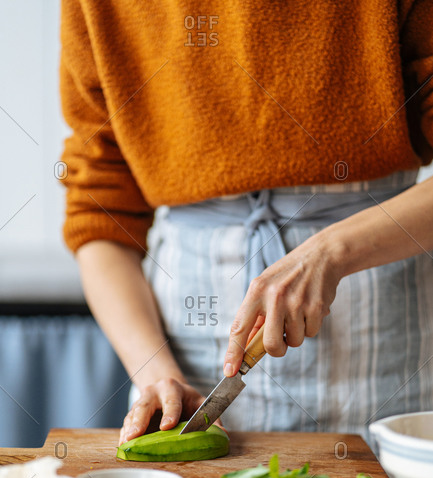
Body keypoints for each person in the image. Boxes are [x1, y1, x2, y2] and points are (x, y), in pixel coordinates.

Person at [60, 1, 433, 449]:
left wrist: (333, 251)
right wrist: (155, 372)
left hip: (385, 341)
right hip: (188, 346)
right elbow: (99, 215)